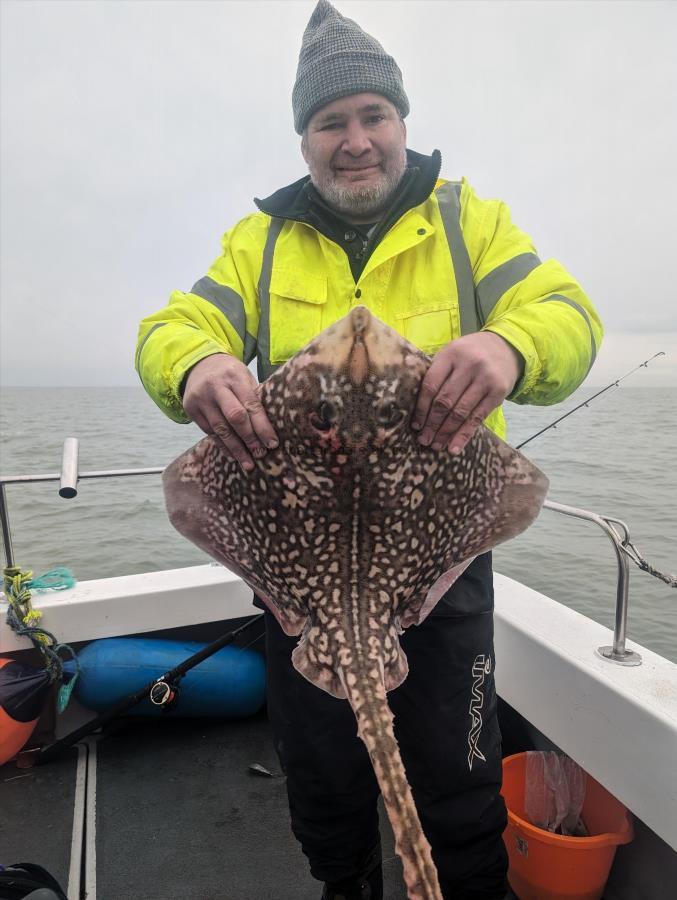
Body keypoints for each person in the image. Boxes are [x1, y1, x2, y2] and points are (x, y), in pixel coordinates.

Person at [136, 2, 603, 897]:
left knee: (457, 776)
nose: (354, 140)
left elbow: (568, 315)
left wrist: (511, 347)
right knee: (322, 775)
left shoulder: (471, 223)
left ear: (400, 122)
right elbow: (175, 324)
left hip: (437, 558)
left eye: (371, 116)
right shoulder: (260, 244)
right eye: (330, 122)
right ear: (304, 139)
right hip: (297, 575)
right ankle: (343, 885)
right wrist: (194, 360)